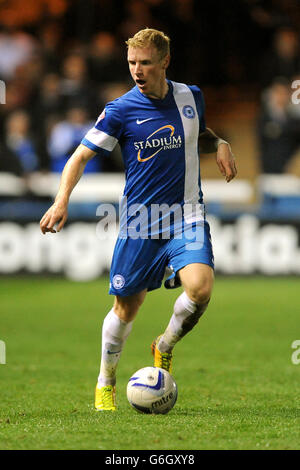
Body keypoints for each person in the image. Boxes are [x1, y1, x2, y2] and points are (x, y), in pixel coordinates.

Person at [40, 28, 237, 412]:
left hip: (186, 214)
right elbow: (79, 157)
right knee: (127, 309)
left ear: (165, 61)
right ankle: (106, 381)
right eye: (132, 62)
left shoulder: (190, 96)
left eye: (145, 62)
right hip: (140, 222)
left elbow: (197, 133)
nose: (137, 70)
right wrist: (61, 200)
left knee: (200, 289)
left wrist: (220, 143)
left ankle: (163, 345)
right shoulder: (120, 110)